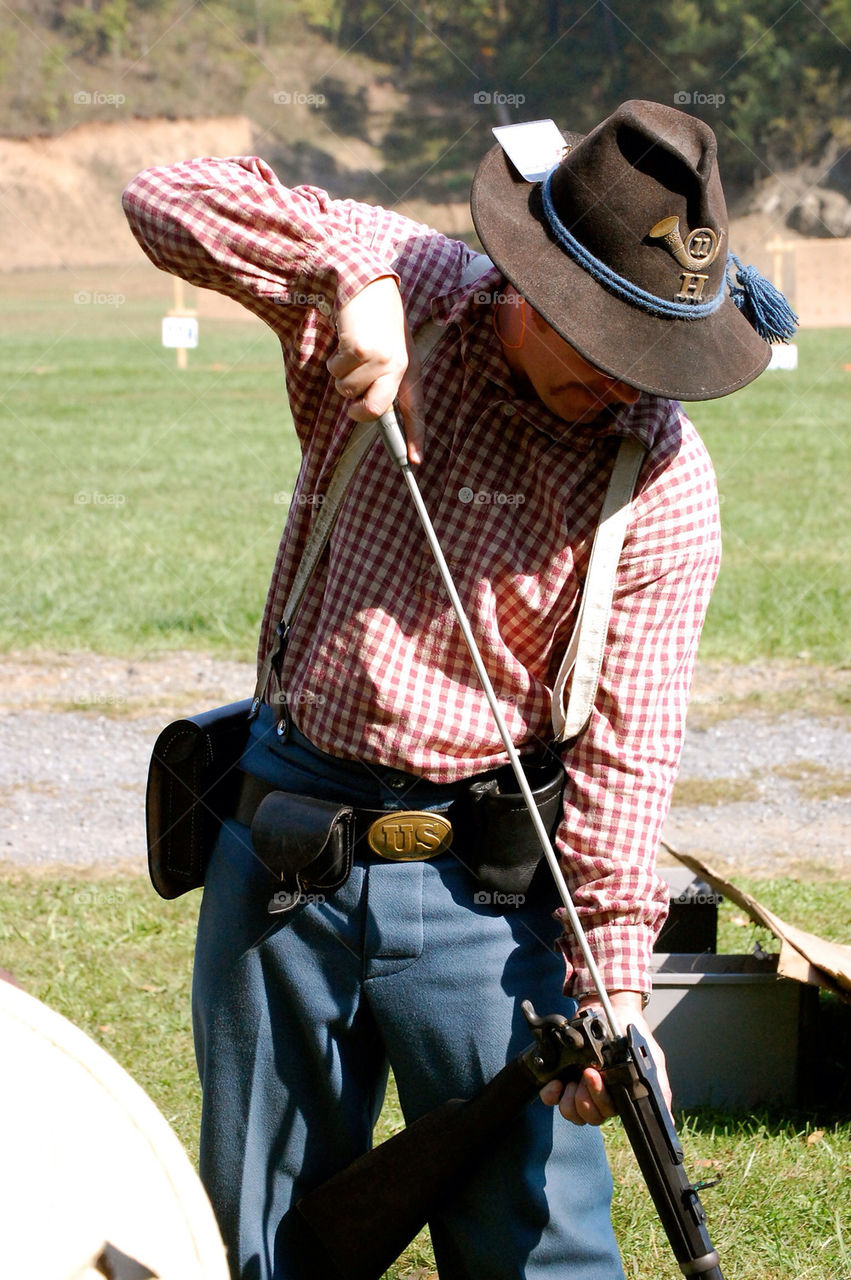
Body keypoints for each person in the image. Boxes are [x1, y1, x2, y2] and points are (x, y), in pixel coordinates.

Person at [122, 99, 793, 1280]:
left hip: (487, 898)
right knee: (259, 1248)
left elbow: (627, 758)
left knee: (540, 1252)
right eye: (603, 337)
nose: (628, 381)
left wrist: (617, 989)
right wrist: (344, 275)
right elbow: (163, 198)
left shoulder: (665, 480)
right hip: (282, 850)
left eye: (652, 347)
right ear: (528, 283)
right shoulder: (417, 285)